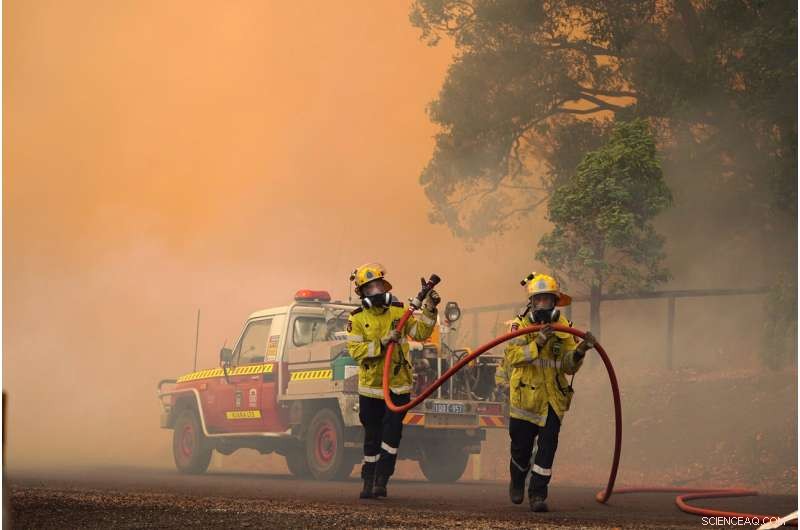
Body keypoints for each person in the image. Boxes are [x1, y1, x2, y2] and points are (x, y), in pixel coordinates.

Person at [503, 272, 597, 512]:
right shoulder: (519, 326)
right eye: (539, 300)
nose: (543, 305)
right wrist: (537, 344)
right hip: (525, 401)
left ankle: (537, 495)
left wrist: (580, 350)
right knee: (521, 450)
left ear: (555, 303)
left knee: (547, 448)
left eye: (548, 300)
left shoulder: (564, 328)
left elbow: (567, 366)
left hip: (552, 401)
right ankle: (517, 480)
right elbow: (513, 357)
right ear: (531, 303)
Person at [346, 263, 440, 499]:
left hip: (397, 386)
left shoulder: (399, 312)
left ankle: (382, 479)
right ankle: (368, 480)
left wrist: (430, 308)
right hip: (371, 389)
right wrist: (382, 343)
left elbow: (420, 333)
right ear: (362, 294)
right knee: (372, 436)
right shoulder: (356, 319)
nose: (376, 291)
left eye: (378, 285)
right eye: (370, 288)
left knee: (392, 435)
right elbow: (355, 350)